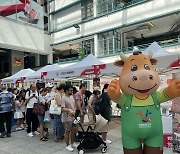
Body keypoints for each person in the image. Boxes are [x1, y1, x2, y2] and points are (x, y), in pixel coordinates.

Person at [61, 84, 77, 152]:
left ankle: (72, 143)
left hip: (73, 117)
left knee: (73, 130)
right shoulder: (63, 98)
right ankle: (67, 145)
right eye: (70, 90)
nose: (72, 91)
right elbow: (62, 108)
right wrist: (69, 110)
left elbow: (74, 105)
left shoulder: (71, 97)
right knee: (67, 131)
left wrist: (74, 110)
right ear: (66, 90)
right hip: (67, 118)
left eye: (72, 90)